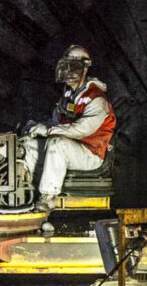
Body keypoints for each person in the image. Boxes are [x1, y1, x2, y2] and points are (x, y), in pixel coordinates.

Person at [23, 45, 116, 211]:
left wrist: (48, 131)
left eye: (72, 67)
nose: (67, 71)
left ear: (85, 69)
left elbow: (81, 130)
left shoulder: (96, 98)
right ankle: (25, 189)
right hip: (73, 148)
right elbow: (56, 122)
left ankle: (47, 199)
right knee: (29, 145)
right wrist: (35, 126)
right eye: (65, 66)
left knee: (57, 144)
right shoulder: (68, 96)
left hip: (91, 154)